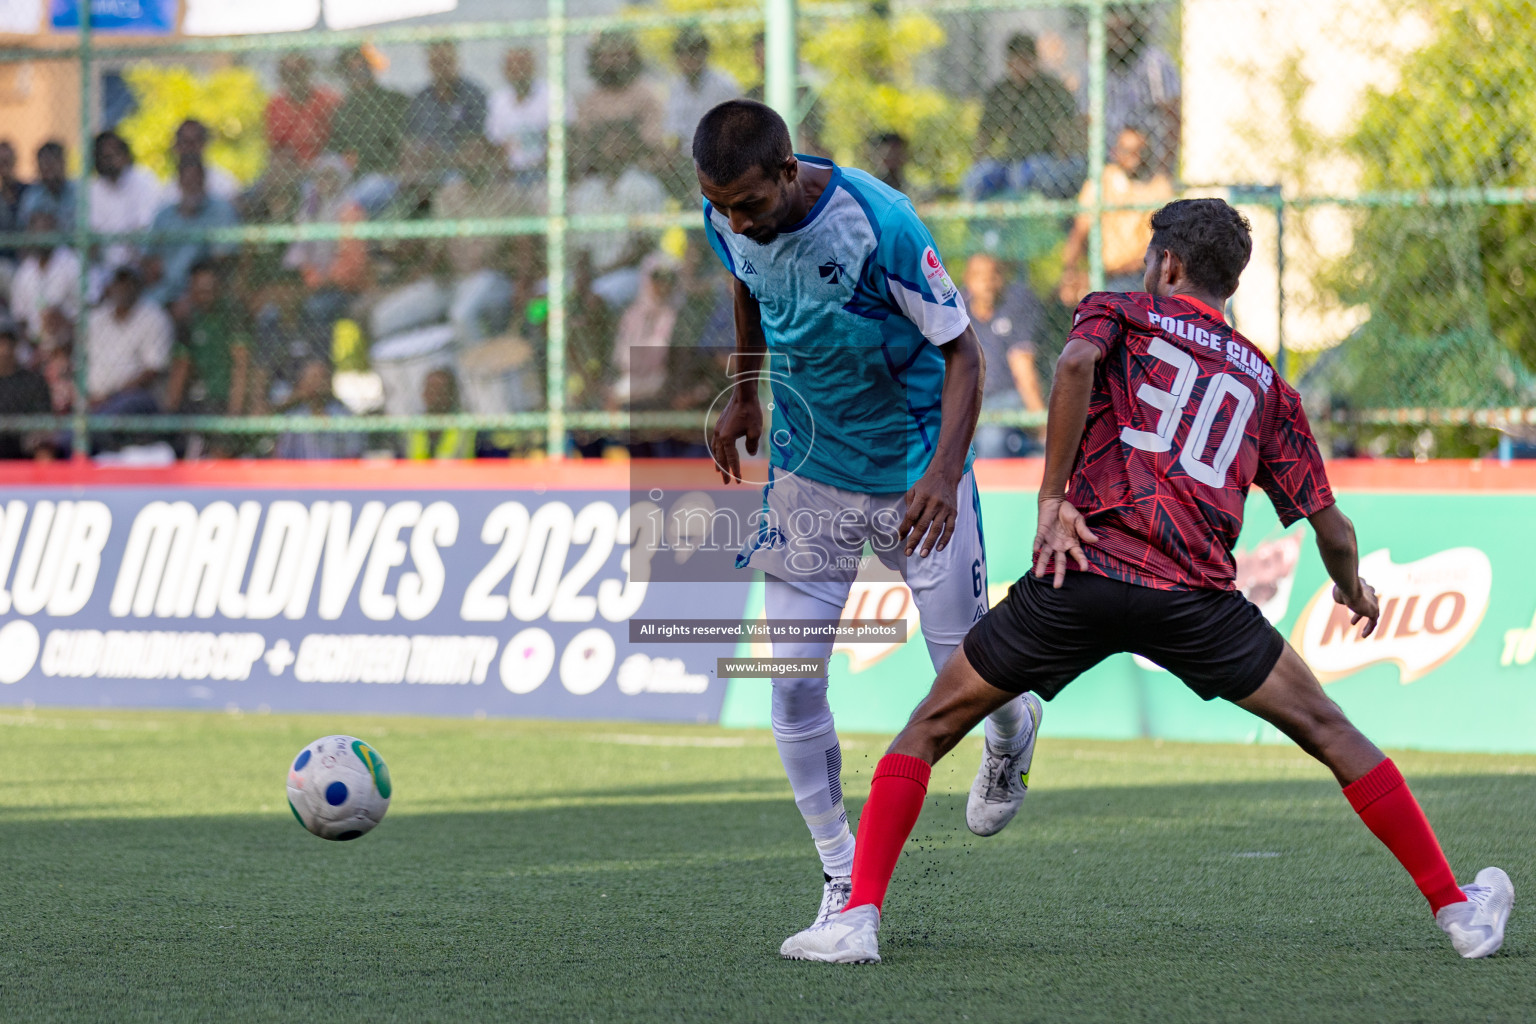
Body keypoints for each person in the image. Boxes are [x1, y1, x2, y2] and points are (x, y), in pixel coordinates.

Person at [778, 198, 1515, 964]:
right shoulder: (1267, 383)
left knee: (928, 728)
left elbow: (1071, 363)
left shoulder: (1122, 312)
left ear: (1168, 265)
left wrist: (1052, 501)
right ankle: (1457, 910)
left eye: (1147, 257)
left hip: (1081, 570)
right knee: (1332, 732)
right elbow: (1332, 528)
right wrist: (1352, 588)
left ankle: (856, 917)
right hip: (1195, 604)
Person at [695, 99, 1036, 932]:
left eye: (750, 204)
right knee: (790, 687)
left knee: (968, 674)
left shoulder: (879, 224)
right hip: (810, 474)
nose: (737, 221)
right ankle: (842, 876)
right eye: (721, 205)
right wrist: (746, 391)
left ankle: (1013, 728)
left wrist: (945, 475)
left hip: (916, 469)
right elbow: (747, 283)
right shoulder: (728, 212)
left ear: (788, 173)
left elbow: (964, 352)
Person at [1058, 127, 1174, 305]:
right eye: (1127, 150)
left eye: (1140, 150)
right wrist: (1069, 273)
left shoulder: (1158, 187)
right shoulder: (1103, 180)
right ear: (1115, 151)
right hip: (1104, 273)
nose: (1134, 156)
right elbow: (1079, 230)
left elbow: (1155, 252)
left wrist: (1101, 275)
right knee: (1067, 296)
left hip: (1141, 275)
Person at [965, 33, 1083, 201]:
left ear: (1035, 61)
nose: (1021, 67)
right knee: (976, 179)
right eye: (1016, 61)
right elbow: (986, 134)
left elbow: (1065, 132)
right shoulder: (1001, 91)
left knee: (1025, 174)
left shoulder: (1050, 89)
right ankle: (981, 225)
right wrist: (977, 163)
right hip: (1011, 160)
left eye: (1026, 61)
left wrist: (1062, 158)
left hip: (1045, 159)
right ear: (1008, 63)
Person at [567, 123, 667, 309]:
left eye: (620, 144)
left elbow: (644, 245)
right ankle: (539, 337)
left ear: (632, 148)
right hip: (592, 273)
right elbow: (582, 246)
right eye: (608, 144)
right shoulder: (588, 190)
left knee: (594, 300)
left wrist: (607, 270)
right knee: (542, 299)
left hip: (631, 273)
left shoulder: (645, 186)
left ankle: (593, 337)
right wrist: (585, 275)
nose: (614, 150)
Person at [962, 252, 1046, 457]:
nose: (987, 282)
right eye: (979, 276)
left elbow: (1023, 370)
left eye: (993, 275)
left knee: (991, 441)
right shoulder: (956, 311)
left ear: (1002, 278)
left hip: (1007, 398)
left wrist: (1044, 428)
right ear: (968, 281)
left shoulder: (1016, 304)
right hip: (969, 400)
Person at [143, 158, 240, 306]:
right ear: (179, 182)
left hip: (205, 291)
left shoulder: (221, 211)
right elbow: (151, 259)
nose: (192, 185)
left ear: (204, 180)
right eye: (187, 180)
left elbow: (224, 258)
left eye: (196, 180)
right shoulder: (164, 216)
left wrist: (191, 293)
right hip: (165, 290)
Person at [165, 260, 252, 416]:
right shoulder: (188, 320)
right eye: (198, 291)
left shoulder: (232, 315)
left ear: (219, 288)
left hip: (224, 398)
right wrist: (169, 411)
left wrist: (234, 412)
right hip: (197, 398)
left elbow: (241, 364)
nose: (204, 297)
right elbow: (181, 366)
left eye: (208, 290)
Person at [85, 266, 172, 415]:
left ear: (138, 287)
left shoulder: (154, 317)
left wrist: (110, 397)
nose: (123, 288)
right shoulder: (96, 318)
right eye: (119, 283)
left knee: (118, 408)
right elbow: (81, 360)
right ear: (110, 287)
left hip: (134, 398)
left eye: (128, 284)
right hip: (92, 397)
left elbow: (153, 370)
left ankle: (63, 437)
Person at [1106, 11, 1181, 179]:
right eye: (1113, 33)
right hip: (1111, 161)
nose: (1118, 40)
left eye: (1123, 32)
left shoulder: (1154, 62)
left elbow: (1172, 114)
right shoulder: (1099, 65)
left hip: (1152, 161)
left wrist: (1163, 169)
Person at [329, 46, 412, 182]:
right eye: (351, 72)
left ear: (372, 69)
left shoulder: (394, 100)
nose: (358, 76)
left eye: (363, 70)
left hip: (391, 174)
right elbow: (337, 148)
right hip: (353, 178)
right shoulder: (343, 111)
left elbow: (403, 141)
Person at [576, 30, 665, 155]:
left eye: (617, 55)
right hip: (599, 165)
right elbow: (583, 137)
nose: (610, 62)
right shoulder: (590, 99)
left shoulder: (645, 95)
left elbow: (652, 140)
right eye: (603, 56)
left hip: (638, 165)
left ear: (630, 57)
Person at [89, 130, 164, 275]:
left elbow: (145, 229)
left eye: (114, 154)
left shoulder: (144, 180)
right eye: (104, 157)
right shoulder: (92, 189)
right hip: (103, 267)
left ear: (125, 154)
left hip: (139, 264)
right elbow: (93, 236)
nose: (110, 161)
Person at [404, 41, 488, 168]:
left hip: (464, 169)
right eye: (436, 64)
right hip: (425, 169)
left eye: (446, 62)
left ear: (457, 63)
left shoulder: (474, 96)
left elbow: (478, 140)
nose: (442, 69)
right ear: (429, 65)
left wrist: (447, 157)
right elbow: (411, 138)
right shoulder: (420, 99)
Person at [485, 46, 562, 181]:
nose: (517, 70)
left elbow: (565, 138)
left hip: (546, 173)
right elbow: (495, 143)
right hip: (511, 175)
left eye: (522, 63)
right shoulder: (497, 100)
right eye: (511, 65)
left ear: (533, 66)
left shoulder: (553, 95)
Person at [662, 27, 739, 156]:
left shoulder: (723, 85)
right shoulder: (677, 87)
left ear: (704, 54)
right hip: (686, 157)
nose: (688, 59)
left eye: (693, 52)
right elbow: (677, 134)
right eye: (682, 54)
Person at [9, 211, 81, 345]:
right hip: (34, 344)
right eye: (38, 232)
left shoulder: (72, 263)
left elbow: (85, 312)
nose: (43, 237)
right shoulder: (25, 271)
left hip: (68, 341)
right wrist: (32, 347)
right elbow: (19, 319)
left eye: (47, 231)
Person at [275, 358, 367, 459]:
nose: (316, 385)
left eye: (320, 378)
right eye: (311, 379)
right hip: (300, 473)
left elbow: (353, 454)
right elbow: (282, 455)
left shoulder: (344, 415)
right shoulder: (294, 417)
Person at [265, 53, 341, 167]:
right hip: (291, 166)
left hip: (322, 162)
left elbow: (335, 141)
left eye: (297, 72)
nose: (293, 78)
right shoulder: (276, 105)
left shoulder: (327, 100)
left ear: (307, 72)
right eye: (287, 73)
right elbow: (276, 147)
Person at [0, 320, 54, 460]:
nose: (4, 349)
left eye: (8, 342)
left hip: (24, 449)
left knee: (44, 450)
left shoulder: (33, 382)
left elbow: (43, 425)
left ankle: (43, 481)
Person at [404, 367, 474, 460]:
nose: (435, 395)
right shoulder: (414, 425)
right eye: (431, 388)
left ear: (452, 394)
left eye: (441, 389)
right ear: (424, 393)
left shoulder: (464, 423)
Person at [163, 120, 241, 203]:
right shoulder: (167, 192)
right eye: (185, 142)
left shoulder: (225, 185)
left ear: (205, 144)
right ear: (176, 146)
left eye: (194, 142)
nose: (190, 148)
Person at [17, 141, 77, 232]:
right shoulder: (32, 196)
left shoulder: (78, 191)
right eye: (44, 164)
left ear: (63, 163)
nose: (49, 169)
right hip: (45, 245)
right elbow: (24, 230)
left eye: (53, 163)